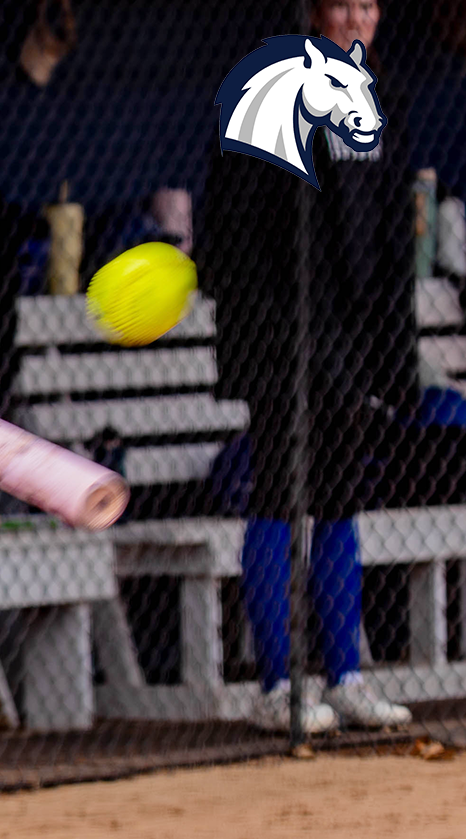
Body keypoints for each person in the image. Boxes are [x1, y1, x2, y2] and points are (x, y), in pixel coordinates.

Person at [200, 0, 413, 732]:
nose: (359, 18)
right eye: (343, 4)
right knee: (278, 495)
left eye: (369, 4)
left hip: (350, 343)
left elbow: (391, 238)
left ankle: (344, 675)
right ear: (314, 12)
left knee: (340, 500)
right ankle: (278, 686)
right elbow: (233, 235)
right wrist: (275, 335)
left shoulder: (378, 101)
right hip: (281, 343)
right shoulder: (271, 92)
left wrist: (392, 353)